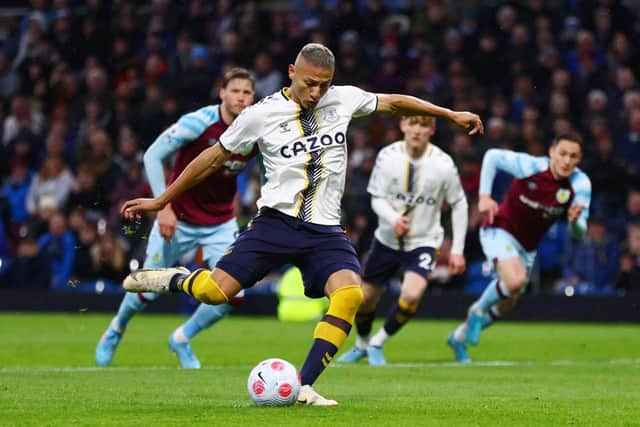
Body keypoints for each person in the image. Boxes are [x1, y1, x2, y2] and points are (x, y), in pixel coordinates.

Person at [119, 43, 483, 406]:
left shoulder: (342, 99)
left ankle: (303, 384)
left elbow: (393, 102)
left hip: (324, 230)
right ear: (292, 72)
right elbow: (213, 157)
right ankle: (173, 278)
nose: (317, 92)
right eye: (310, 83)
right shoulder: (261, 114)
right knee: (215, 293)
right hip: (275, 223)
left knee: (350, 295)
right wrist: (163, 199)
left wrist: (449, 114)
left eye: (324, 85)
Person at [95, 68, 256, 368]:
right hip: (178, 217)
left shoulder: (255, 129)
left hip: (220, 223)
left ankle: (182, 338)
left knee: (232, 292)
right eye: (235, 90)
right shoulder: (198, 122)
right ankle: (116, 329)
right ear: (222, 93)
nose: (241, 97)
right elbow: (153, 155)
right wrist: (163, 208)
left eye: (247, 92)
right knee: (146, 287)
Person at [447, 132, 591, 363]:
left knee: (508, 303)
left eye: (573, 156)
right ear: (552, 152)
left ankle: (458, 337)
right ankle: (475, 312)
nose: (566, 161)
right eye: (562, 154)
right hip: (499, 229)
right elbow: (492, 156)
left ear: (579, 160)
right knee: (515, 281)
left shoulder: (580, 184)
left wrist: (575, 221)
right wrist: (484, 197)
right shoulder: (531, 166)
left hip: (528, 247)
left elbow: (580, 232)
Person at [337, 115, 468, 366]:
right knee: (364, 299)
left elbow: (459, 202)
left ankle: (378, 342)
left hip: (424, 240)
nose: (417, 130)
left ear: (432, 129)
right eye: (412, 123)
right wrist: (393, 218)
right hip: (387, 239)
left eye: (423, 125)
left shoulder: (443, 164)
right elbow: (376, 197)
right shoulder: (387, 156)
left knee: (411, 294)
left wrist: (458, 250)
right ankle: (362, 344)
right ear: (403, 125)